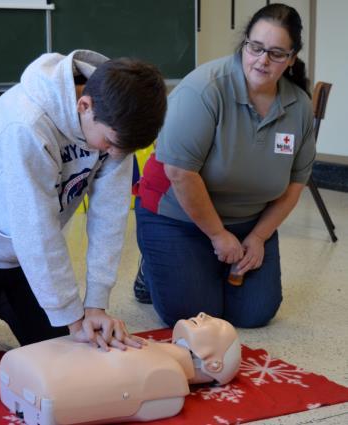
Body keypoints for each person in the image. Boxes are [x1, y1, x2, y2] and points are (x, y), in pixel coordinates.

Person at [0, 49, 167, 387]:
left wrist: (95, 305)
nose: (115, 155)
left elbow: (110, 216)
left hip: (22, 254)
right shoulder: (27, 123)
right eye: (111, 144)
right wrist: (72, 316)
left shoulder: (120, 122)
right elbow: (36, 230)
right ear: (84, 106)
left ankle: (0, 295)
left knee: (59, 350)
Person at [133, 3, 315, 328]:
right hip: (178, 218)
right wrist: (218, 235)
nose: (262, 60)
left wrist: (259, 236)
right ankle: (152, 266)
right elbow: (180, 172)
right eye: (255, 47)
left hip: (249, 222)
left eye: (275, 53)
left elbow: (295, 184)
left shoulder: (298, 106)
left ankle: (207, 265)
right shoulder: (204, 89)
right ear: (245, 43)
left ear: (291, 58)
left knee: (255, 314)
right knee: (199, 318)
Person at [0, 312, 241, 424]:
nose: (203, 314)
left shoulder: (168, 375)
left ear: (214, 364)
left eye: (215, 326)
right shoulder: (160, 359)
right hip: (39, 377)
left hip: (45, 385)